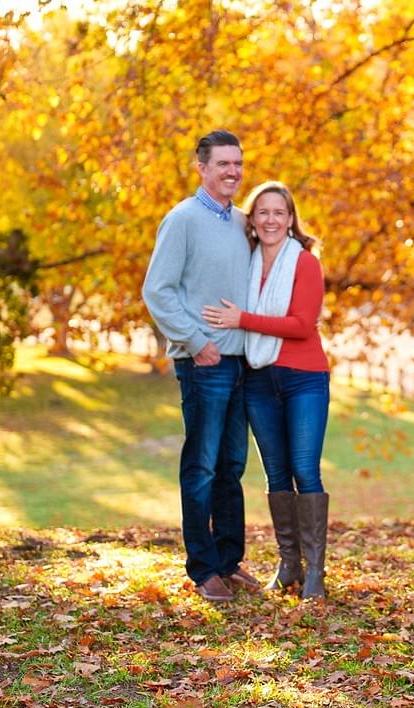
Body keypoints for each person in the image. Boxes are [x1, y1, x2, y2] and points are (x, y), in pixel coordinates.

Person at [143, 129, 260, 604]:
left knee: (233, 464)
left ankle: (230, 561)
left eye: (237, 163)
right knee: (203, 466)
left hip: (240, 361)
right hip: (204, 362)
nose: (232, 171)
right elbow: (158, 290)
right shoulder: (183, 219)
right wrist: (195, 342)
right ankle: (204, 568)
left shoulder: (239, 222)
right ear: (202, 168)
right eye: (222, 164)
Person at [201, 182, 331, 600]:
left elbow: (301, 324)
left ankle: (315, 572)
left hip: (304, 378)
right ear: (252, 221)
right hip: (259, 378)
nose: (271, 219)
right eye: (263, 212)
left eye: (280, 212)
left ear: (291, 219)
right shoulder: (246, 264)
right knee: (276, 473)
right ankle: (289, 563)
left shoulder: (305, 262)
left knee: (304, 469)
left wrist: (242, 319)